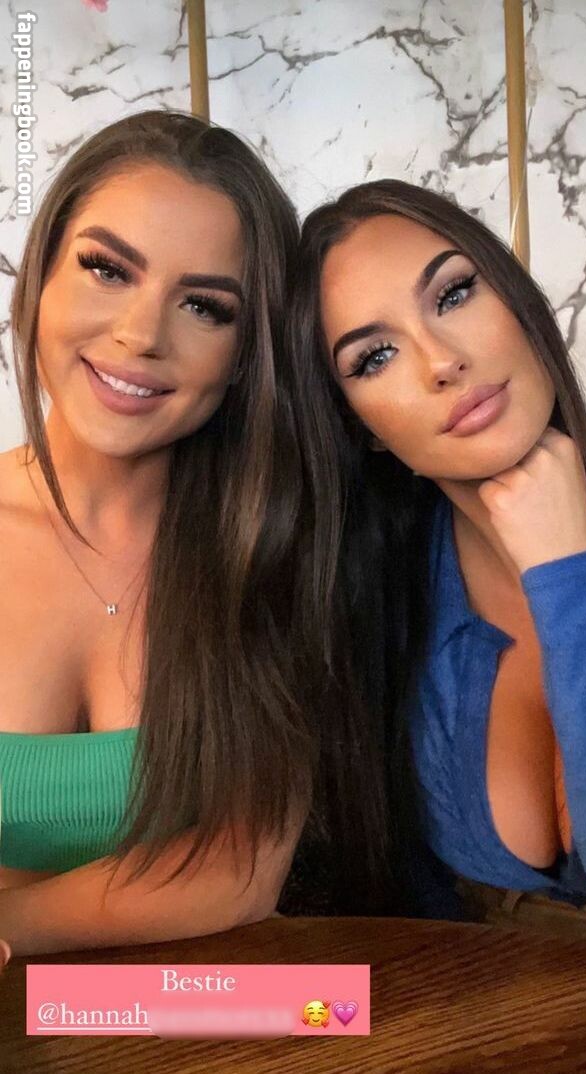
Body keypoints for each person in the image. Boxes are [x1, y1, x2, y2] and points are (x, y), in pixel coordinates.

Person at [286, 178, 586, 982]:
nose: (442, 361)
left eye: (454, 294)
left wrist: (566, 565)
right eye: (375, 356)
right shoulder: (374, 606)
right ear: (361, 428)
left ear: (518, 300)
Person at [0, 110, 389, 957]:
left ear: (248, 354)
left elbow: (241, 869)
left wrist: (8, 928)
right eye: (107, 269)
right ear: (40, 276)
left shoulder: (270, 540)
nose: (142, 336)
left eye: (205, 307)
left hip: (196, 1013)